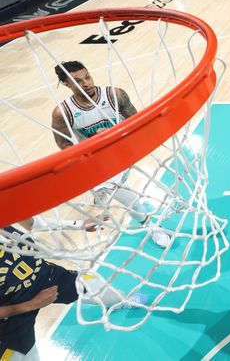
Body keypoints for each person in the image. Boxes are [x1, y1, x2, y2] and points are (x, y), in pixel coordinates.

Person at [50, 61, 170, 247]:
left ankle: (99, 194)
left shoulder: (114, 95)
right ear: (67, 85)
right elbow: (64, 145)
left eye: (87, 77)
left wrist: (115, 133)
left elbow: (137, 123)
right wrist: (93, 144)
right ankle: (150, 225)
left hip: (124, 149)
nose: (86, 83)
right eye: (78, 81)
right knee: (126, 195)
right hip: (97, 161)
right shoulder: (62, 113)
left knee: (111, 186)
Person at [0, 221, 148, 360]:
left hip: (48, 276)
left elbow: (32, 222)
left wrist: (77, 224)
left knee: (100, 289)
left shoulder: (6, 210)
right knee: (22, 356)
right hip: (11, 311)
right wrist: (32, 304)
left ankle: (121, 302)